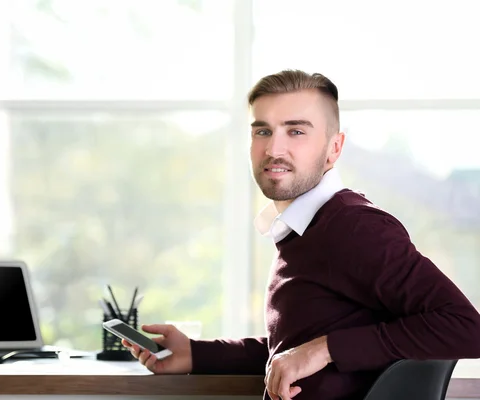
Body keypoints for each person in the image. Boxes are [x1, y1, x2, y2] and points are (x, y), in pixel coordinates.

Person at [122, 70, 480, 400]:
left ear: (334, 149)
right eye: (263, 131)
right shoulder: (303, 230)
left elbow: (467, 327)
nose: (274, 149)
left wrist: (322, 349)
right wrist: (196, 353)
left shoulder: (354, 228)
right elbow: (295, 345)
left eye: (296, 131)